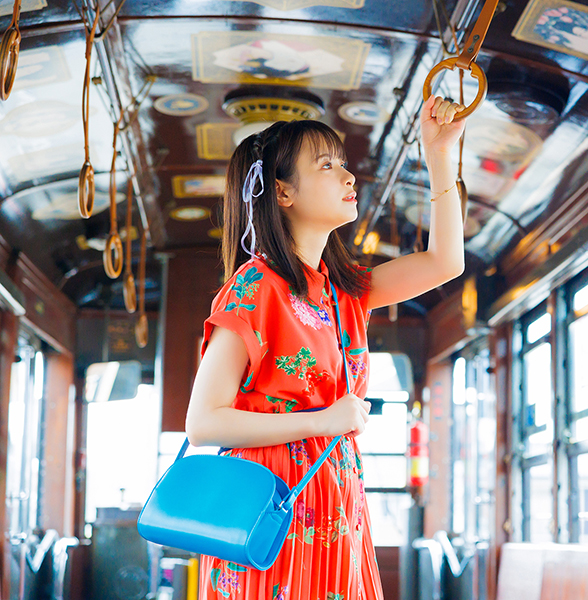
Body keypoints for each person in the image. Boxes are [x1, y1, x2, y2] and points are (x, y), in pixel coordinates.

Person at [185, 94, 465, 599]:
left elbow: (445, 263)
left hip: (337, 504)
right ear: (284, 193)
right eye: (328, 165)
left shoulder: (346, 292)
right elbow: (203, 422)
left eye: (345, 164)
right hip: (270, 507)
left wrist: (440, 154)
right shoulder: (254, 289)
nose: (348, 176)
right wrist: (321, 421)